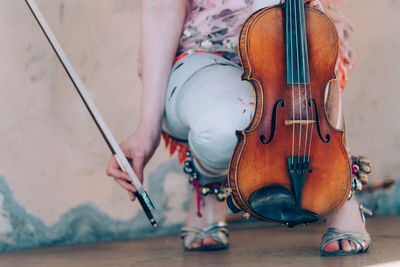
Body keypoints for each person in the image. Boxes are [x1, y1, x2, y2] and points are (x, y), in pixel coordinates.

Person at [106, 0, 371, 255]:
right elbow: (161, 5)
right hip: (206, 53)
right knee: (223, 125)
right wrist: (146, 131)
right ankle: (209, 183)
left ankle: (341, 194)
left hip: (290, 45)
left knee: (310, 40)